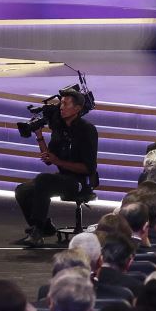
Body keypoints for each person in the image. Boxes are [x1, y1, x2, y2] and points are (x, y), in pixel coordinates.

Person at [13, 88, 97, 247]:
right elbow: (49, 159)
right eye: (61, 104)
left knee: (43, 179)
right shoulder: (59, 128)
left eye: (65, 104)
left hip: (80, 182)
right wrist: (39, 136)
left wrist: (58, 161)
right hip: (61, 178)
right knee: (22, 190)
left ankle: (38, 230)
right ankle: (44, 227)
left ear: (77, 109)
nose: (61, 107)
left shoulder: (87, 130)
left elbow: (88, 168)